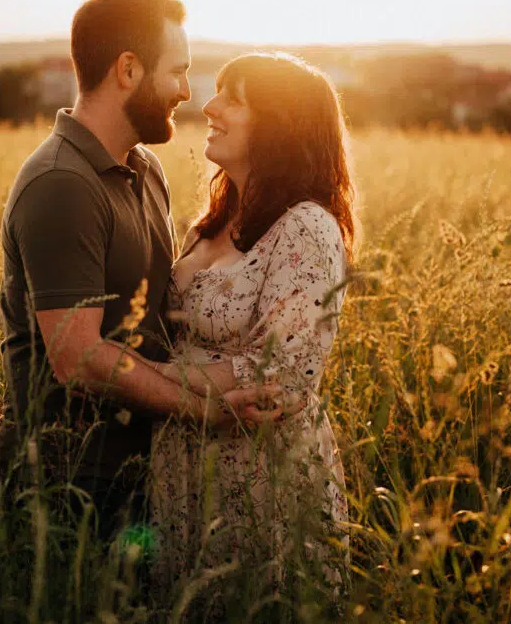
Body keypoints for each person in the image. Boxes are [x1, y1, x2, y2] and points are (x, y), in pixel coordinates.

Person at [0, 0, 278, 542]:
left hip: (142, 473)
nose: (185, 91)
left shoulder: (144, 167)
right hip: (65, 485)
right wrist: (206, 411)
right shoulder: (61, 183)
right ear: (128, 70)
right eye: (177, 71)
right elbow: (77, 358)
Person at [146, 52, 358, 607]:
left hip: (263, 476)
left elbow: (281, 376)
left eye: (232, 98)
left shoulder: (307, 227)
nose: (208, 106)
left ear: (280, 123)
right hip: (183, 465)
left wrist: (144, 375)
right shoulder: (209, 222)